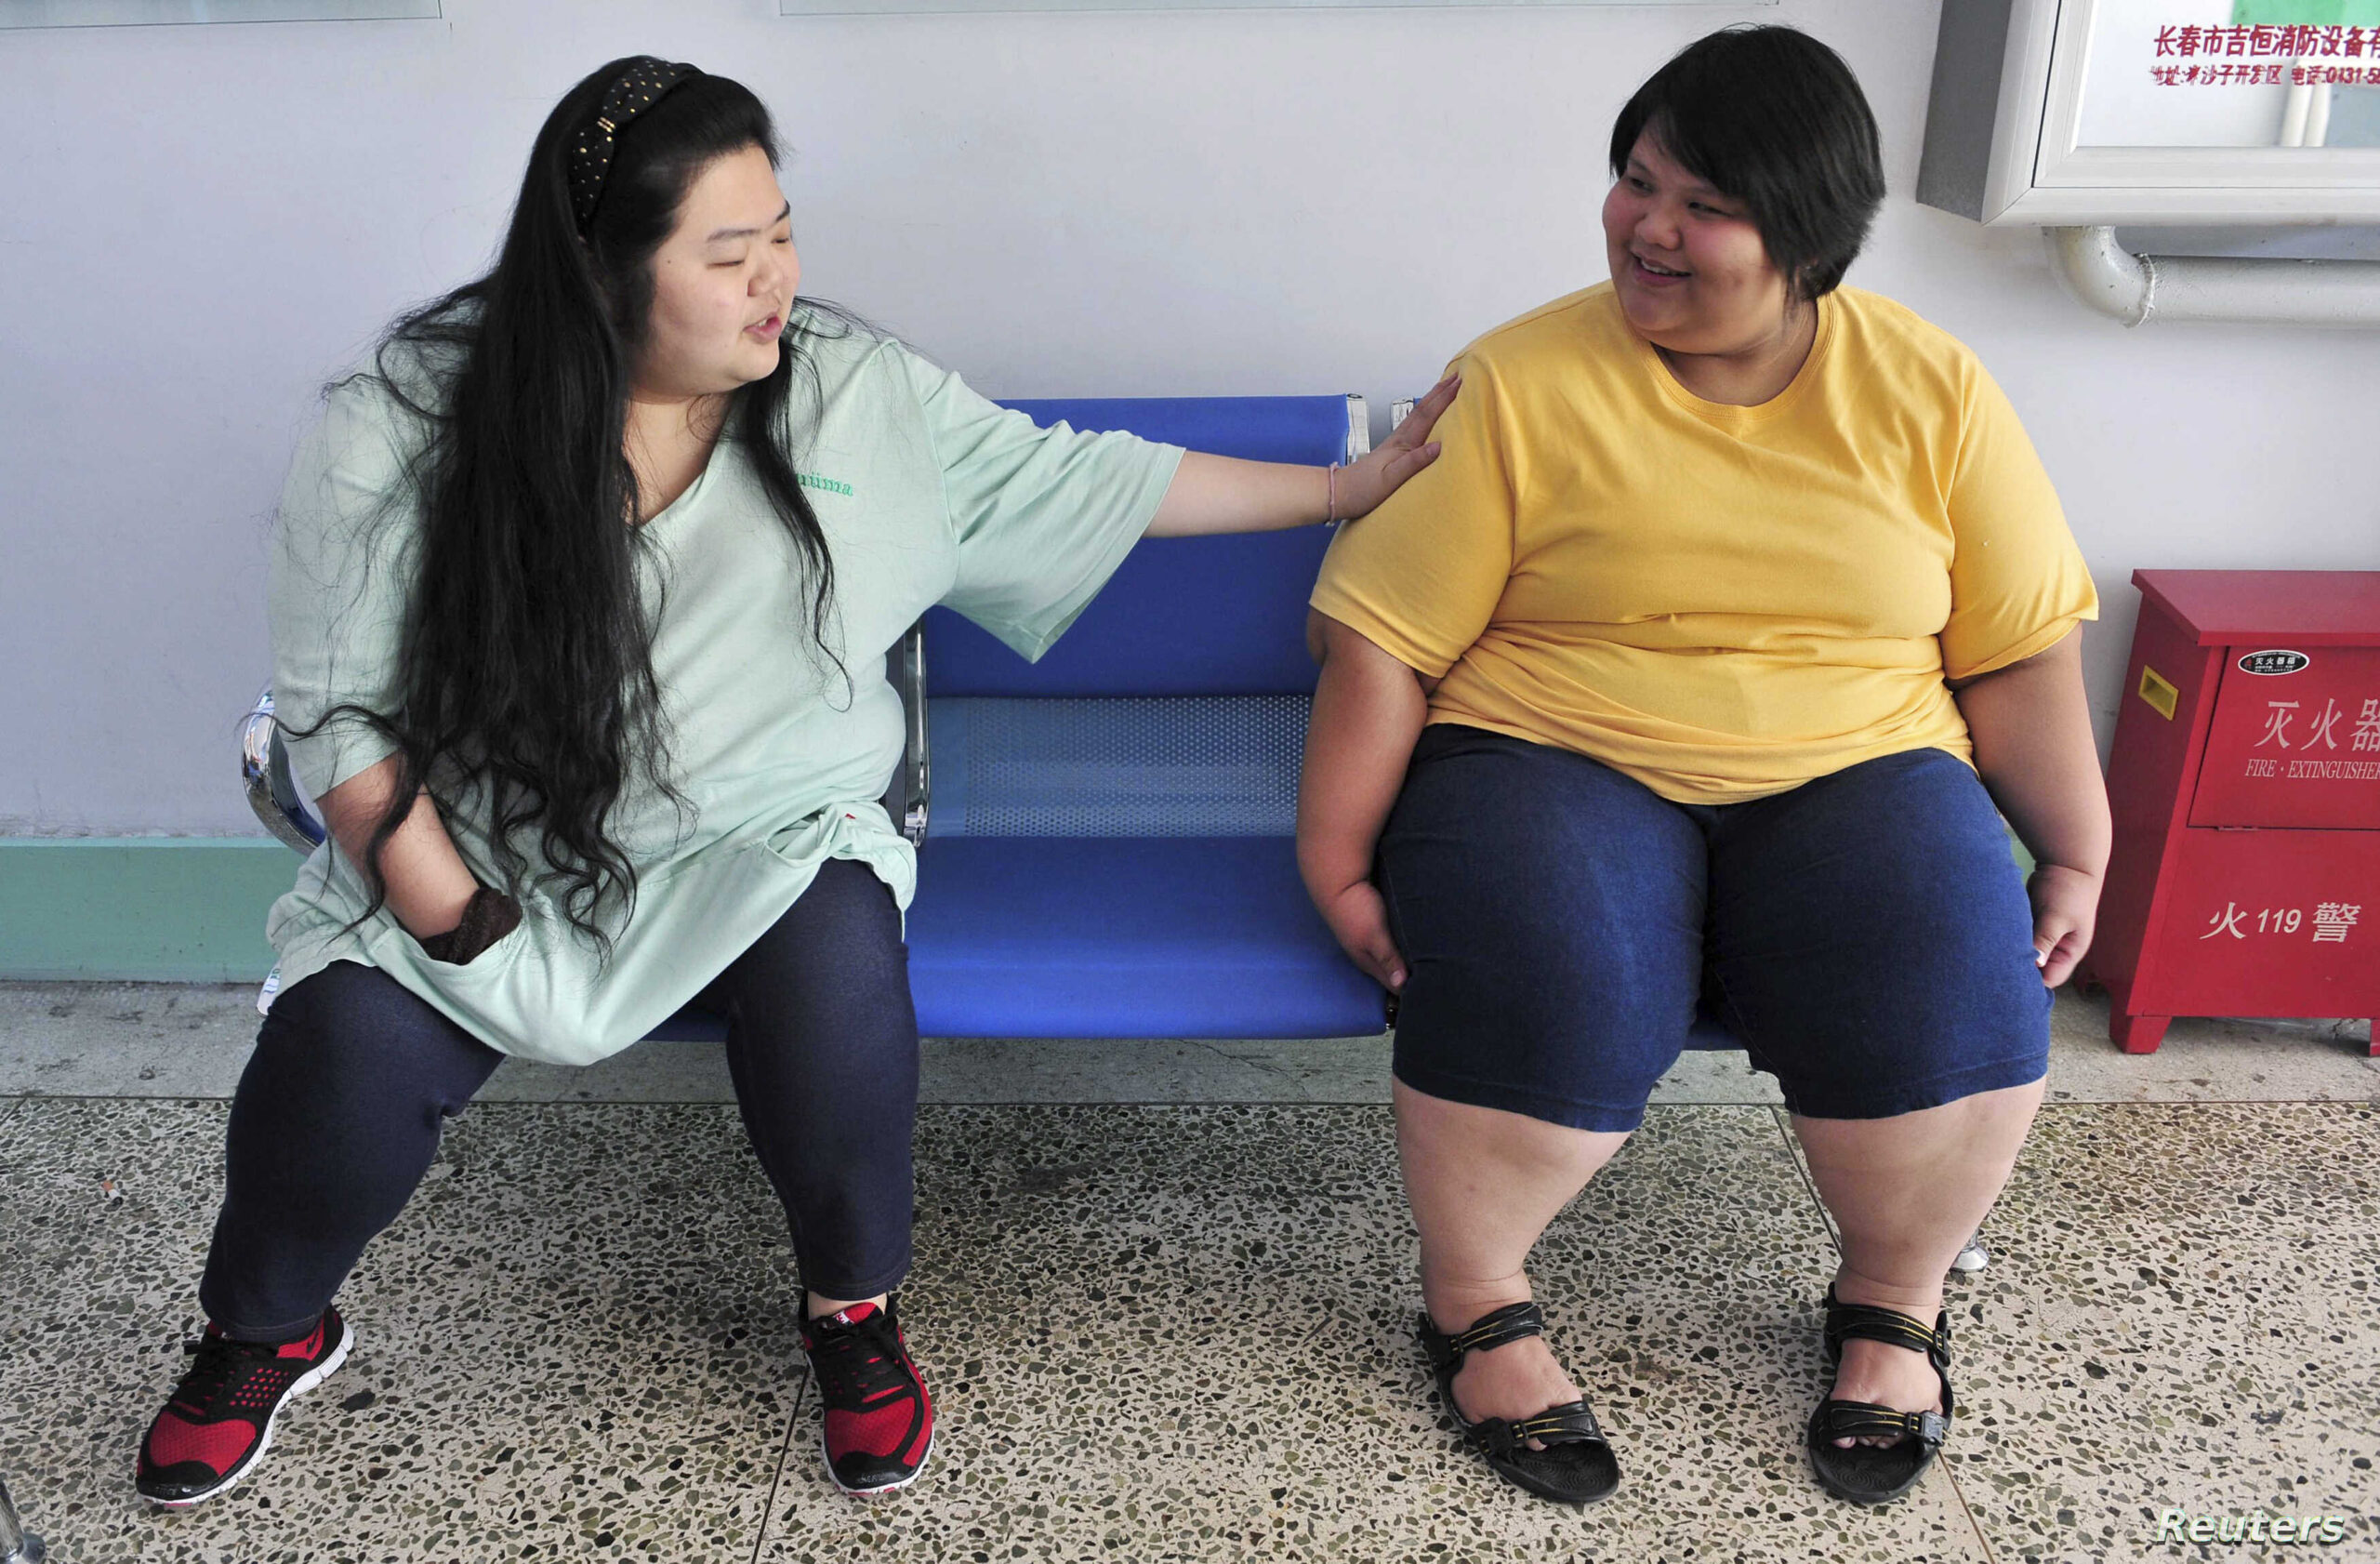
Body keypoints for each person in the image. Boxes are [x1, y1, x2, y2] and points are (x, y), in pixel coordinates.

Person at [136, 56, 1455, 1507]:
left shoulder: (848, 394)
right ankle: (264, 1326)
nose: (778, 280)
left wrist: (1346, 488)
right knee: (343, 1051)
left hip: (766, 831)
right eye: (727, 254)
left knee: (840, 983)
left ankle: (853, 1313)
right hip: (485, 840)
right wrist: (452, 916)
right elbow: (341, 714)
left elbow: (1075, 479)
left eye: (780, 233)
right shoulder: (407, 419)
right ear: (599, 271)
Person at [1298, 25, 2106, 1508]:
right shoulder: (1522, 380)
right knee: (1555, 970)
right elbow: (1384, 644)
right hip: (1552, 743)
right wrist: (1339, 865)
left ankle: (1892, 1302)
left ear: (1807, 235)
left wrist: (2072, 846)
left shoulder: (1929, 387)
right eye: (1633, 180)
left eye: (1703, 202)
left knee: (1945, 958)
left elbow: (2016, 646)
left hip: (1858, 755)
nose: (1647, 227)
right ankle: (1473, 1297)